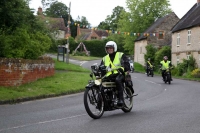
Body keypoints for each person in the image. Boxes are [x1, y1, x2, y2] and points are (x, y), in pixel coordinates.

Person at [100, 41, 131, 107]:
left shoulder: (120, 55)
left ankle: (121, 99)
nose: (109, 49)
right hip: (109, 76)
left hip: (120, 74)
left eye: (111, 48)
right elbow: (101, 67)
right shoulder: (104, 58)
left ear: (114, 48)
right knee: (99, 83)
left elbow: (126, 64)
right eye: (108, 48)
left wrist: (122, 68)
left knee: (118, 80)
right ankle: (101, 102)